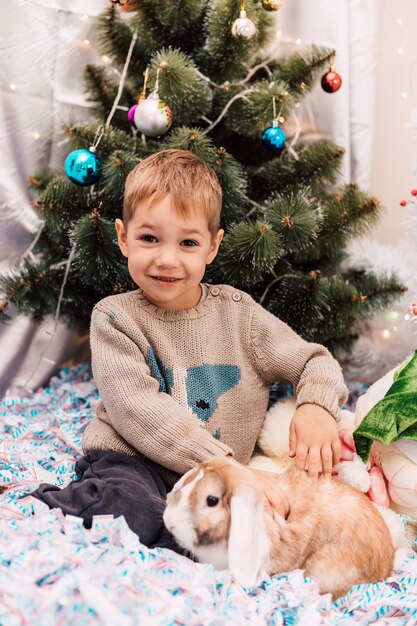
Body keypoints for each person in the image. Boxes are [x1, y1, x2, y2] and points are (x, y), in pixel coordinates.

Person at [32, 149, 348, 553]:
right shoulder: (115, 317)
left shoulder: (239, 316)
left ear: (212, 248)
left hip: (218, 479)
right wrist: (227, 468)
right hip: (135, 462)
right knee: (133, 512)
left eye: (188, 242)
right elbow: (137, 408)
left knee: (247, 536)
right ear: (123, 237)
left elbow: (313, 360)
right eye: (149, 238)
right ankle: (50, 505)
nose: (167, 259)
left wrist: (317, 407)